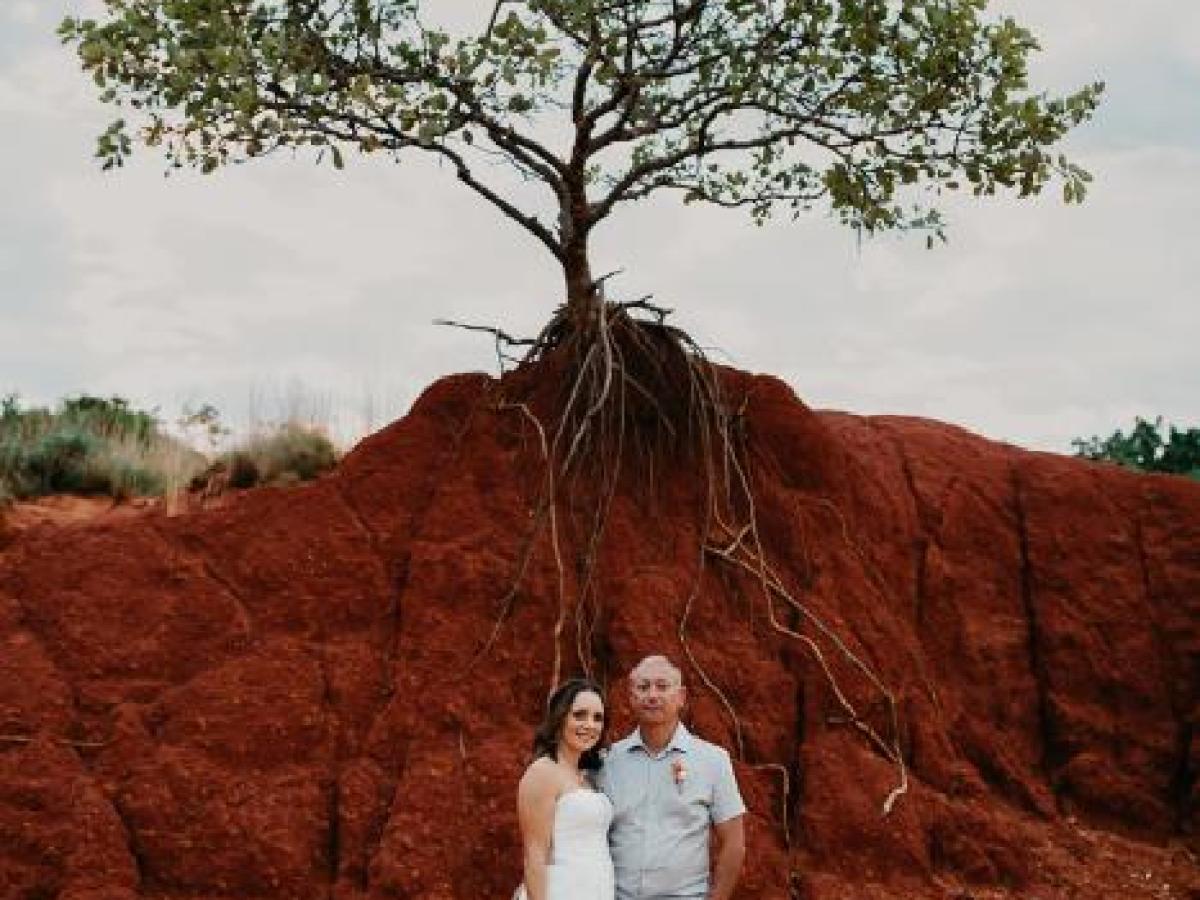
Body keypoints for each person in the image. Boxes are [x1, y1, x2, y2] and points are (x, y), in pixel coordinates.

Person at [598, 656, 746, 900]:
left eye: (662, 686)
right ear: (631, 697)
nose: (652, 695)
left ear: (681, 697)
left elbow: (734, 843)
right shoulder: (608, 762)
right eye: (643, 687)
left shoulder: (713, 761)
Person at [516, 678, 616, 900]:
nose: (590, 725)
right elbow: (535, 856)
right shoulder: (542, 773)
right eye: (579, 715)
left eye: (597, 718)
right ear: (560, 718)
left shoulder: (588, 777)